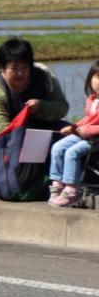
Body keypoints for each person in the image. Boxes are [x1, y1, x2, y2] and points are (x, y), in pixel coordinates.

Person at [0, 38, 70, 196]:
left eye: (25, 67)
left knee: (72, 136)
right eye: (14, 68)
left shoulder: (44, 76)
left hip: (39, 131)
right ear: (2, 68)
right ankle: (3, 181)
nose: (20, 73)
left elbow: (62, 108)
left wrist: (41, 106)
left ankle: (48, 179)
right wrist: (30, 151)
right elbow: (1, 131)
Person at [47, 61, 99, 207]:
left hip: (96, 139)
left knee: (72, 152)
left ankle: (71, 189)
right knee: (57, 147)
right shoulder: (92, 99)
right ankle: (57, 183)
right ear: (90, 78)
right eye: (98, 77)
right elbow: (88, 118)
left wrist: (88, 130)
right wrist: (73, 127)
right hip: (86, 135)